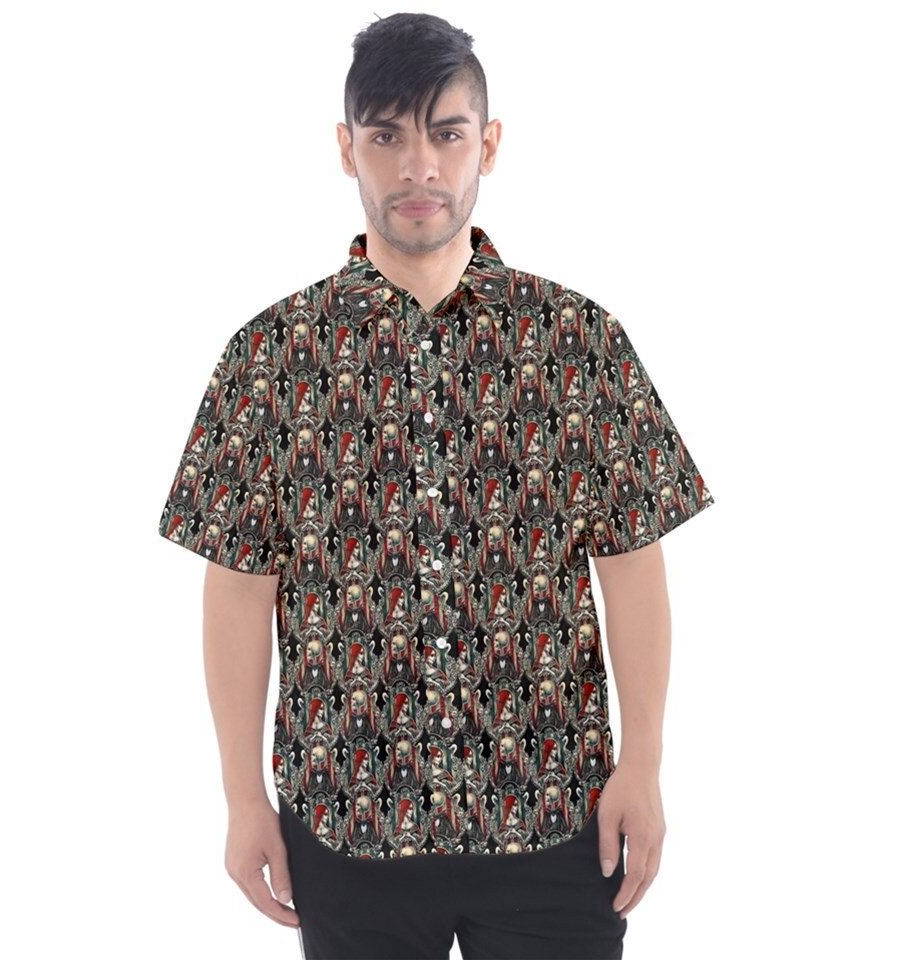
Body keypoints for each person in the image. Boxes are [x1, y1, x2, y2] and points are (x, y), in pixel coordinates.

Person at [157, 12, 716, 960]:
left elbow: (632, 565)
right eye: (386, 136)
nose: (418, 165)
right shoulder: (270, 358)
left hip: (554, 814)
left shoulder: (576, 342)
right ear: (347, 149)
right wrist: (244, 799)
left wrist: (646, 765)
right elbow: (239, 588)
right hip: (346, 821)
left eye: (445, 134)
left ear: (487, 145)